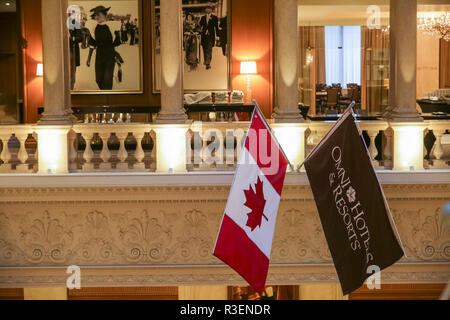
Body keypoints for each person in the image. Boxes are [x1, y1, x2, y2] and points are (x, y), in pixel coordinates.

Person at [86, 6, 122, 90]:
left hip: (110, 55)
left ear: (104, 15)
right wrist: (88, 59)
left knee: (107, 79)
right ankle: (104, 94)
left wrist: (117, 56)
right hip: (99, 55)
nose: (96, 17)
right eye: (95, 15)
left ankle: (107, 99)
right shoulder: (94, 28)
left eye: (98, 14)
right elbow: (92, 45)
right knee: (98, 79)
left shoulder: (112, 27)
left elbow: (117, 42)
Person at [199, 6, 219, 70]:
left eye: (209, 9)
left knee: (209, 49)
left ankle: (208, 63)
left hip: (211, 35)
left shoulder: (215, 18)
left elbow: (216, 27)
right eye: (206, 9)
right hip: (204, 35)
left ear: (211, 10)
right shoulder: (203, 17)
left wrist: (218, 35)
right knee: (204, 49)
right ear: (205, 10)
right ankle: (206, 60)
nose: (207, 10)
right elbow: (200, 25)